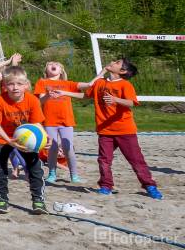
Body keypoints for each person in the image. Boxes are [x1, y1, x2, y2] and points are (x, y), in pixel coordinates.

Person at [59, 58, 161, 199]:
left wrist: (115, 100)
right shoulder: (100, 82)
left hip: (125, 130)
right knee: (104, 160)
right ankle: (106, 186)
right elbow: (85, 95)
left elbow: (131, 102)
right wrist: (65, 93)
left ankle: (149, 185)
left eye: (117, 62)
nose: (112, 62)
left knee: (136, 160)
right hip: (105, 131)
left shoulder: (125, 85)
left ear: (122, 71)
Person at [0, 64, 46, 214]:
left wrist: (45, 136)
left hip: (25, 140)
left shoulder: (32, 100)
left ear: (26, 85)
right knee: (0, 169)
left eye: (19, 84)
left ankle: (38, 201)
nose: (15, 87)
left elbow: (36, 122)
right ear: (5, 85)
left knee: (35, 168)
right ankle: (1, 200)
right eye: (11, 84)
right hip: (1, 139)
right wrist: (9, 140)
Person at [33, 60, 80, 184]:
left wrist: (100, 75)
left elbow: (84, 89)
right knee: (52, 148)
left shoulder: (67, 84)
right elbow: (39, 102)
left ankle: (74, 174)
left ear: (61, 70)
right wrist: (48, 95)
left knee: (68, 148)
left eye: (57, 64)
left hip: (67, 120)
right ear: (46, 69)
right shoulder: (42, 82)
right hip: (49, 120)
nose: (53, 65)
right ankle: (52, 173)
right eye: (49, 64)